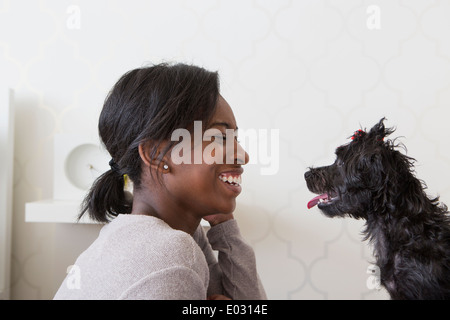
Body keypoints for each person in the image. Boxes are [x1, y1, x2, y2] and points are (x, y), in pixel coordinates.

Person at [54, 63, 266, 300]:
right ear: (155, 154)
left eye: (235, 138)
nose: (242, 155)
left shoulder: (171, 235)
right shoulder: (171, 253)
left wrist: (225, 227)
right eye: (218, 137)